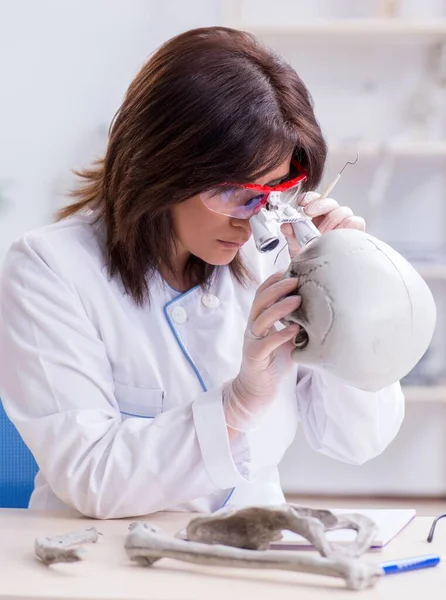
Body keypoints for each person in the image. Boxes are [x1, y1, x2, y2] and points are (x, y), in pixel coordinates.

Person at [0, 27, 404, 519]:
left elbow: (357, 440)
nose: (253, 217)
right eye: (237, 191)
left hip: (253, 550)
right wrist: (237, 405)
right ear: (162, 165)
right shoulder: (50, 269)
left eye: (277, 189)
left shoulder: (276, 255)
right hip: (106, 560)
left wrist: (351, 298)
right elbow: (92, 478)